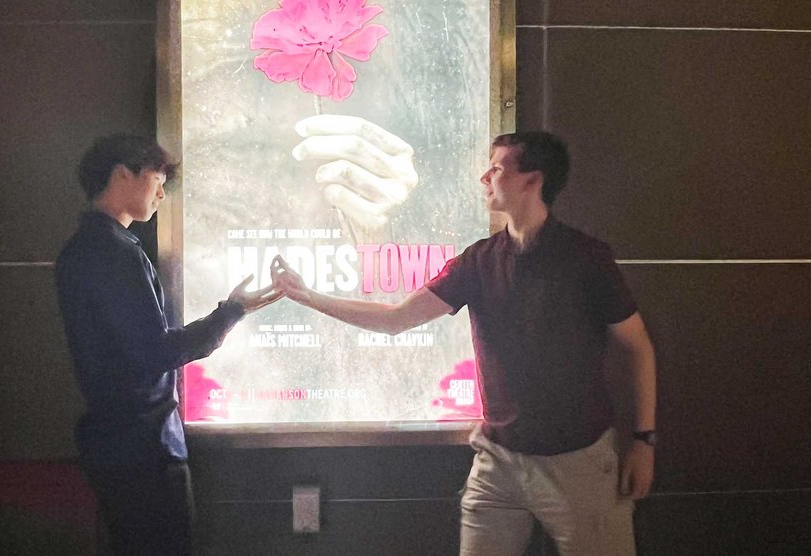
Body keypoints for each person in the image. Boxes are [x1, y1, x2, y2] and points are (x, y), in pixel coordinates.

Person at [270, 131, 657, 556]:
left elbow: (638, 347)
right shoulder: (479, 260)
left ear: (533, 179)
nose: (483, 177)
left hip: (579, 461)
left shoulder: (586, 259)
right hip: (498, 462)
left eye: (497, 167)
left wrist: (644, 441)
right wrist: (306, 296)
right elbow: (396, 319)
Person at [55, 134, 281, 556]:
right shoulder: (115, 252)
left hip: (114, 443)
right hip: (145, 447)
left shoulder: (81, 250)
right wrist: (231, 311)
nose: (162, 193)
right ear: (123, 174)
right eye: (157, 179)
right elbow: (155, 352)